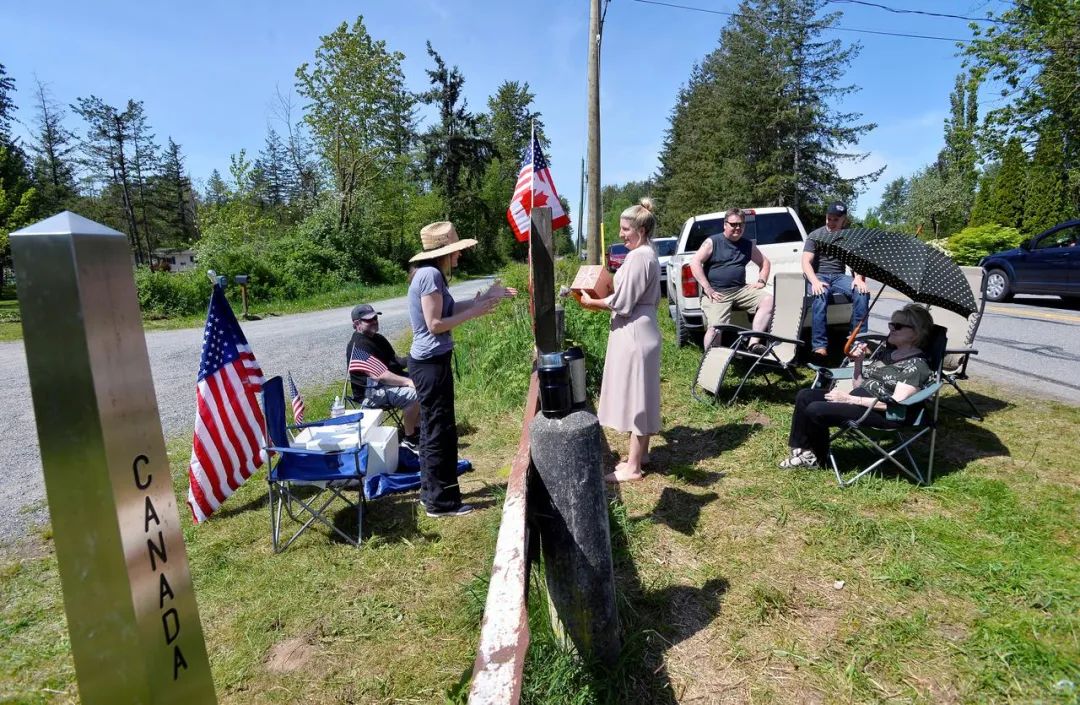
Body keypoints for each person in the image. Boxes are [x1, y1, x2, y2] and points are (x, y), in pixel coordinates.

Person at [407, 221, 516, 517]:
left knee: (433, 429)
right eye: (456, 251)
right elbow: (435, 324)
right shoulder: (430, 275)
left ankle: (431, 494)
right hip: (430, 364)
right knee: (439, 431)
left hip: (430, 362)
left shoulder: (431, 274)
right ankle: (441, 503)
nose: (460, 256)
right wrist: (475, 313)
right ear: (443, 252)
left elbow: (447, 309)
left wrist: (486, 298)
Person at [779, 303, 935, 469]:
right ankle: (803, 450)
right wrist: (859, 363)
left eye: (897, 326)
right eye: (891, 324)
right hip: (860, 401)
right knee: (805, 395)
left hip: (885, 415)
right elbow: (860, 384)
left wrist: (849, 399)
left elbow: (895, 404)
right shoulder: (888, 354)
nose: (891, 328)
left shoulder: (917, 366)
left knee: (816, 409)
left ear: (915, 333)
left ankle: (817, 457)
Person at [580, 198, 662, 483]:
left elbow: (624, 302)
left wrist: (593, 302)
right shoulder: (648, 252)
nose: (621, 234)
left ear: (640, 229)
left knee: (638, 398)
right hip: (641, 328)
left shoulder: (639, 257)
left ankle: (634, 467)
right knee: (641, 394)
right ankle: (642, 454)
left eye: (625, 229)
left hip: (635, 332)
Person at [689, 207, 774, 352]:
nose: (737, 228)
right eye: (733, 224)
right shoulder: (712, 242)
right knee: (715, 328)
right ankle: (711, 361)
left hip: (741, 290)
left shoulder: (747, 245)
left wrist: (761, 281)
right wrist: (707, 288)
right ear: (725, 224)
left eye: (740, 224)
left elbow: (764, 262)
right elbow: (694, 262)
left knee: (769, 300)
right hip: (718, 293)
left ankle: (753, 343)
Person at [346, 303, 420, 449]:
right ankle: (410, 437)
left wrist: (418, 358)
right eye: (369, 319)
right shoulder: (357, 346)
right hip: (371, 392)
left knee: (428, 382)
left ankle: (420, 428)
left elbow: (396, 362)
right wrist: (407, 381)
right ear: (356, 324)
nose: (374, 321)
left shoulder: (378, 338)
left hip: (387, 383)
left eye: (375, 318)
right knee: (416, 393)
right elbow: (380, 375)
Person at [803, 201, 871, 357]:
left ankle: (858, 341)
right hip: (819, 275)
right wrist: (814, 282)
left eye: (836, 219)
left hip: (840, 277)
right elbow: (806, 262)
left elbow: (857, 261)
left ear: (843, 220)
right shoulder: (816, 235)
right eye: (829, 218)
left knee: (862, 292)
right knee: (820, 294)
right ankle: (819, 345)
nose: (831, 222)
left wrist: (859, 278)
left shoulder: (849, 237)